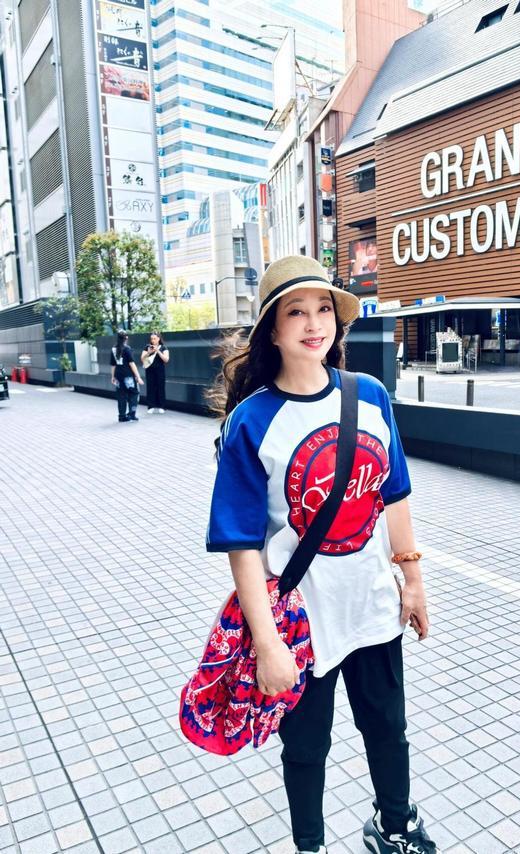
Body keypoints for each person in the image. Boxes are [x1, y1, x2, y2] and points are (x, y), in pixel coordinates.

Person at [206, 255, 438, 854]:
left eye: (323, 309)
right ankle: (309, 846)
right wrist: (266, 644)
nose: (314, 324)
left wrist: (413, 581)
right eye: (296, 312)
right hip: (301, 623)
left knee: (388, 728)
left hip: (373, 604)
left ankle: (395, 827)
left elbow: (394, 494)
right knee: (307, 747)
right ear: (272, 330)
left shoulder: (371, 396)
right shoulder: (252, 421)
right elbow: (241, 546)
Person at [110, 330, 143, 422]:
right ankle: (132, 414)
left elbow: (113, 365)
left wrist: (112, 377)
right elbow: (131, 363)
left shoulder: (113, 349)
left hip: (118, 376)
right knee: (134, 394)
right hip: (128, 376)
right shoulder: (127, 348)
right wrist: (138, 377)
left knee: (121, 396)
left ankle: (122, 416)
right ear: (126, 338)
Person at [141, 331, 169, 413]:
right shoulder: (147, 347)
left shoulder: (163, 347)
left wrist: (158, 351)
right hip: (149, 370)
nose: (153, 340)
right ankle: (151, 406)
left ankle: (162, 406)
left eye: (154, 338)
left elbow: (166, 359)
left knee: (160, 387)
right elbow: (142, 358)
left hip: (160, 370)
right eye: (151, 339)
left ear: (158, 339)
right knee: (150, 387)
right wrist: (149, 353)